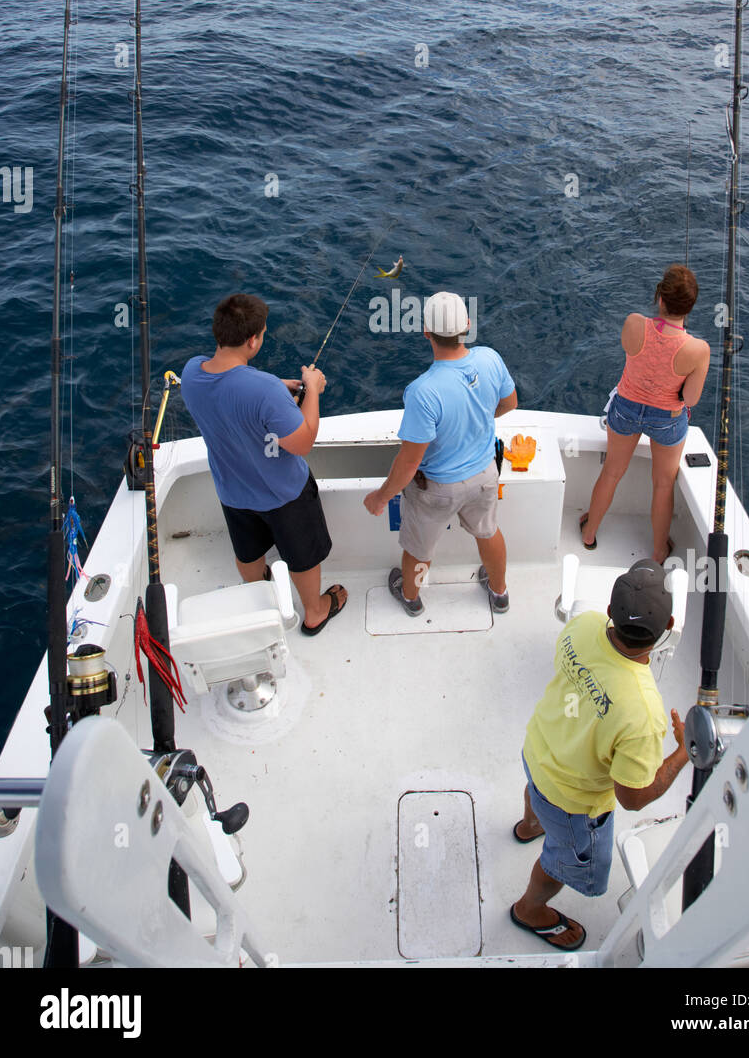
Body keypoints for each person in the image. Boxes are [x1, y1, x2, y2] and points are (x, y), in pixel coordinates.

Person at [510, 560, 689, 950]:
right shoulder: (644, 713)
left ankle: (530, 825)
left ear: (610, 612)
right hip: (572, 801)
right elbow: (633, 797)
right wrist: (683, 752)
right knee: (560, 863)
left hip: (537, 749)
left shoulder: (583, 624)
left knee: (537, 791)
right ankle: (529, 909)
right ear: (668, 627)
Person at [180, 293, 347, 636]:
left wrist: (277, 388)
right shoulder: (264, 391)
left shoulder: (192, 372)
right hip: (283, 494)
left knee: (248, 551)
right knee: (301, 556)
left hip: (233, 492)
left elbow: (231, 389)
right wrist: (311, 389)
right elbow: (301, 443)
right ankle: (314, 611)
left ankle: (259, 593)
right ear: (253, 339)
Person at [363, 291, 517, 615]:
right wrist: (475, 421)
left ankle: (411, 597)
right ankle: (499, 592)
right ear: (467, 326)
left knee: (420, 549)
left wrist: (380, 497)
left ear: (426, 331)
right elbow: (509, 403)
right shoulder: (490, 358)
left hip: (437, 491)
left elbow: (409, 462)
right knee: (488, 532)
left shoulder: (423, 391)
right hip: (486, 475)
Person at [579, 264, 710, 564]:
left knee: (612, 472)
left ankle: (589, 533)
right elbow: (690, 398)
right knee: (663, 485)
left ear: (660, 299)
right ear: (689, 307)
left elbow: (630, 350)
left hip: (625, 409)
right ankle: (658, 551)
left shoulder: (634, 323)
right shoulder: (698, 350)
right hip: (667, 419)